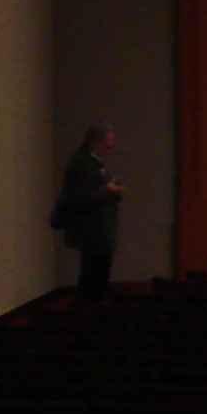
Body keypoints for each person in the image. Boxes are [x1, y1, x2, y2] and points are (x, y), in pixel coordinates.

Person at [51, 122, 125, 296]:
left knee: (97, 276)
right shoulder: (81, 163)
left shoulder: (92, 161)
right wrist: (108, 189)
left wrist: (112, 190)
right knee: (92, 281)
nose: (110, 147)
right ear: (95, 141)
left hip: (98, 231)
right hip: (92, 231)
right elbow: (80, 197)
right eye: (108, 143)